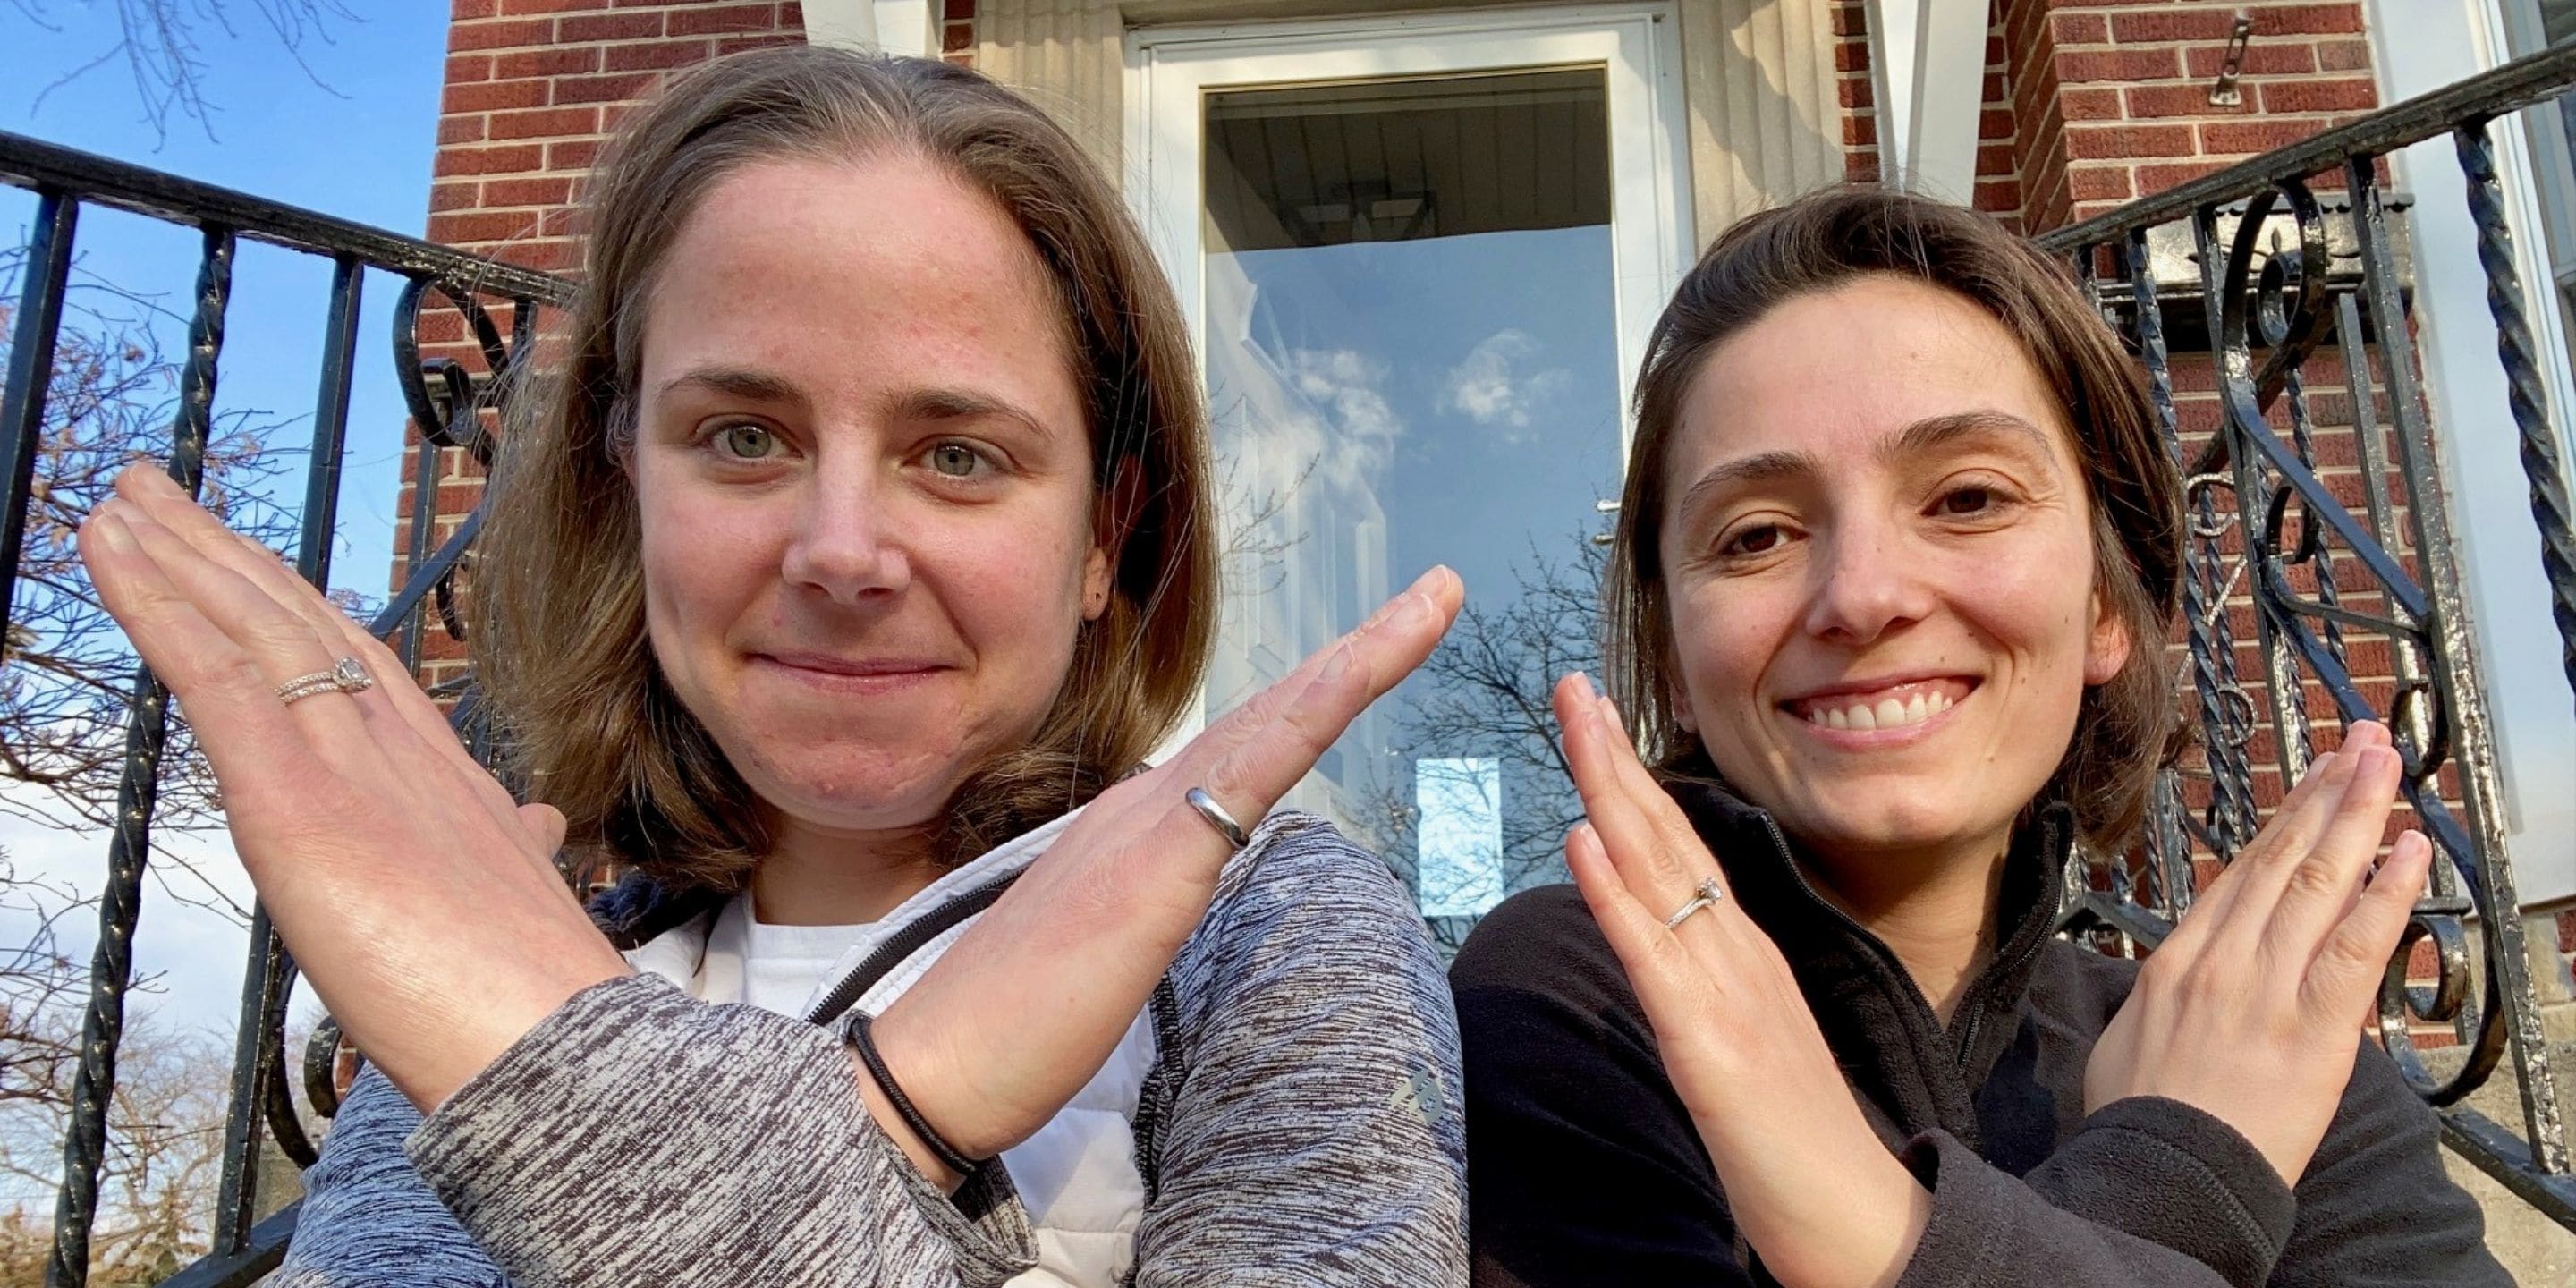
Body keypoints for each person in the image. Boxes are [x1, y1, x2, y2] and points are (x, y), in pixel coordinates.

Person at [81, 47, 1468, 1287]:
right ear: (623, 482)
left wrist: (568, 1086)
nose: (842, 552)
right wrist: (899, 1103)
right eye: (745, 436)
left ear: (1105, 537)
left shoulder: (1267, 933)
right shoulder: (517, 947)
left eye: (958, 455)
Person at [1451, 187, 2507, 1287]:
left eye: (1966, 499)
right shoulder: (1575, 1001)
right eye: (1757, 533)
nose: (1862, 597)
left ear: (2109, 602)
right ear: (1673, 653)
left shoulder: (2257, 1042)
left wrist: (1891, 1241)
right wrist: (2173, 1176)